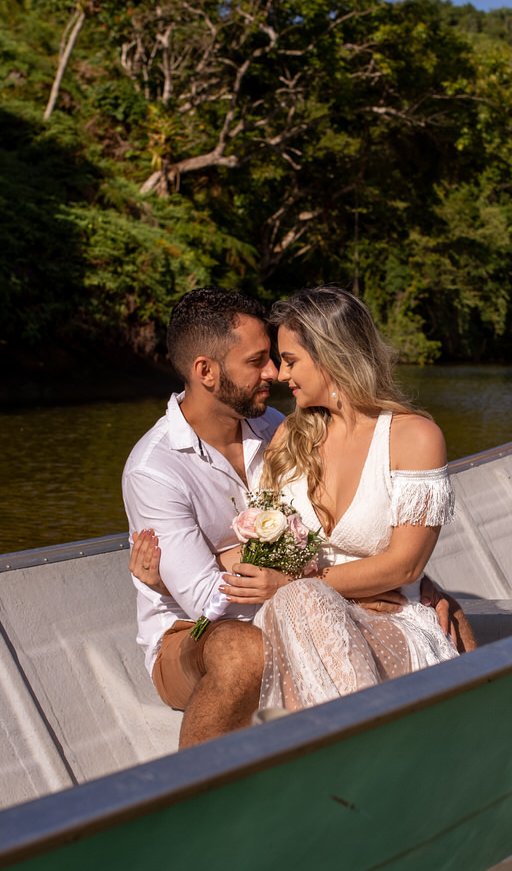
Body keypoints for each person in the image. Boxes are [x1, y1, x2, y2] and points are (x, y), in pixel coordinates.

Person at [124, 287, 474, 745]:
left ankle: (342, 760)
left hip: (325, 607)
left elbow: (374, 554)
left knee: (303, 610)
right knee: (252, 644)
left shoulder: (276, 427)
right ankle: (195, 795)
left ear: (331, 358)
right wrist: (165, 579)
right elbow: (212, 599)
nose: (274, 373)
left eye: (282, 358)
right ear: (205, 371)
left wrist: (407, 580)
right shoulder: (158, 469)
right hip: (199, 630)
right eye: (259, 361)